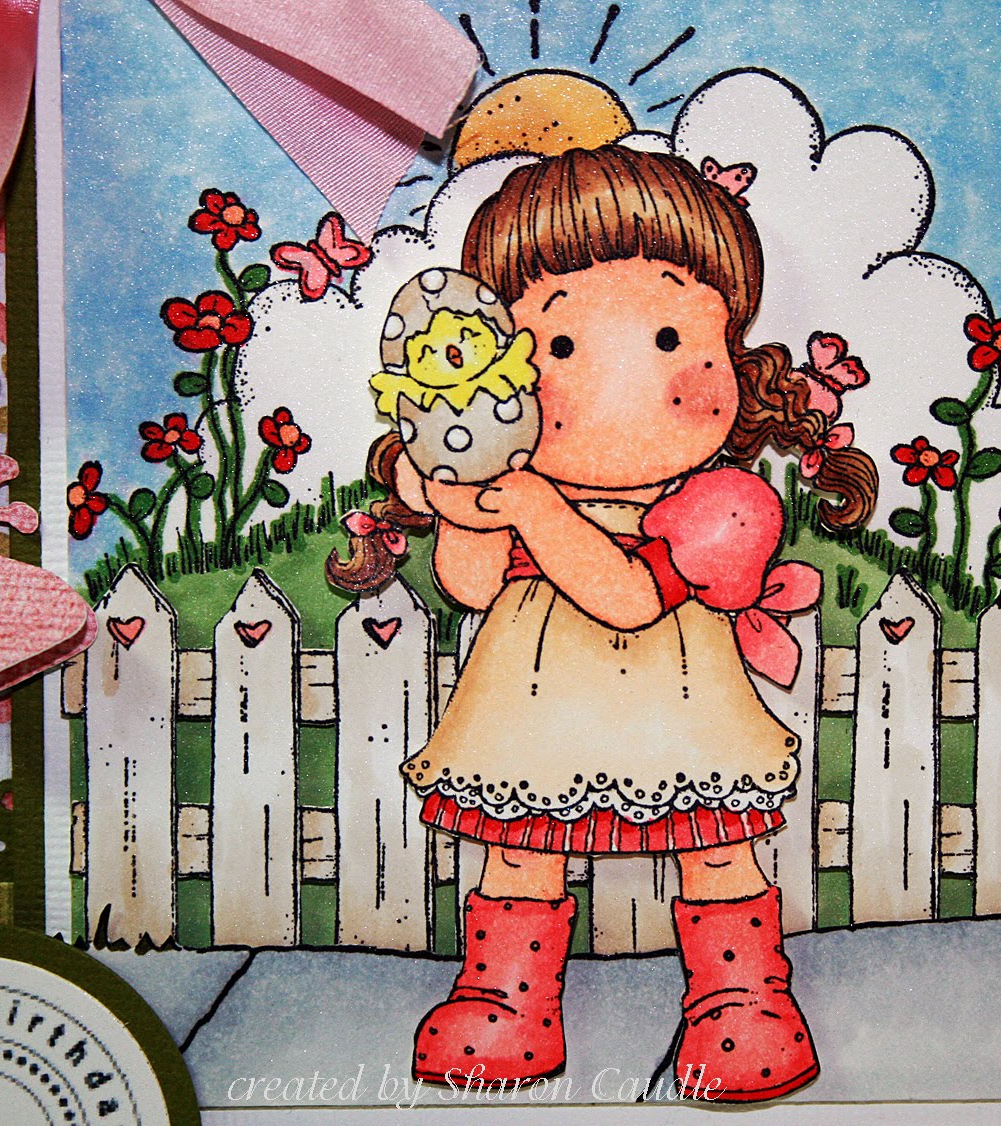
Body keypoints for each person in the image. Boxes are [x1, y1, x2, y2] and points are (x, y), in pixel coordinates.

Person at [372, 145, 877, 1103]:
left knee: (714, 840)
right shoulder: (523, 490)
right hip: (534, 701)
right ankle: (506, 997)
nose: (639, 376)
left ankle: (740, 996)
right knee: (522, 843)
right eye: (562, 347)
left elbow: (632, 598)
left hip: (677, 698)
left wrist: (530, 507)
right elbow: (469, 586)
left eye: (676, 333)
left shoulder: (718, 506)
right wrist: (455, 497)